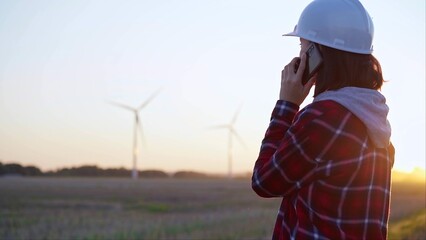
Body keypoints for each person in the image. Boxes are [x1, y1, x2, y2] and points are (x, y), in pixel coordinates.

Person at [251, 0, 395, 239]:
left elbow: (264, 181)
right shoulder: (376, 121)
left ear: (316, 52)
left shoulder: (322, 118)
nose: (298, 55)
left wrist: (287, 105)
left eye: (302, 44)